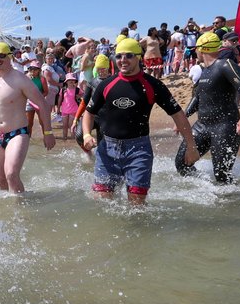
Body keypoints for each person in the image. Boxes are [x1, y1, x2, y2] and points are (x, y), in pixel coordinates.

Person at [82, 38, 199, 204]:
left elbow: (178, 115)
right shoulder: (107, 84)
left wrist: (191, 146)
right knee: (102, 203)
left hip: (138, 151)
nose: (123, 60)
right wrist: (87, 134)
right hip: (107, 149)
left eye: (129, 55)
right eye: (119, 56)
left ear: (139, 57)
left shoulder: (152, 85)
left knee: (137, 206)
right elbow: (89, 113)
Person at [0, 42, 55, 193]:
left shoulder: (20, 79)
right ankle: (6, 213)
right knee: (1, 180)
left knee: (12, 175)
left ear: (10, 57)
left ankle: (22, 213)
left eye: (1, 55)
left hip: (17, 133)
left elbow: (42, 104)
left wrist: (48, 132)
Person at [175, 32, 240, 183]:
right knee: (181, 164)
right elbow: (197, 98)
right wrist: (183, 118)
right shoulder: (204, 70)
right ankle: (203, 187)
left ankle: (230, 199)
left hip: (225, 126)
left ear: (201, 49)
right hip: (202, 125)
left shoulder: (225, 65)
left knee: (221, 174)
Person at [59, 73, 81, 140]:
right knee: (64, 126)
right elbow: (60, 98)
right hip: (64, 110)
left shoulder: (77, 90)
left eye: (72, 80)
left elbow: (84, 95)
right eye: (69, 80)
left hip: (74, 109)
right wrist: (58, 109)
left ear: (75, 81)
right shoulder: (63, 90)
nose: (71, 81)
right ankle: (64, 138)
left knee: (71, 126)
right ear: (66, 81)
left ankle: (73, 139)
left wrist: (79, 96)